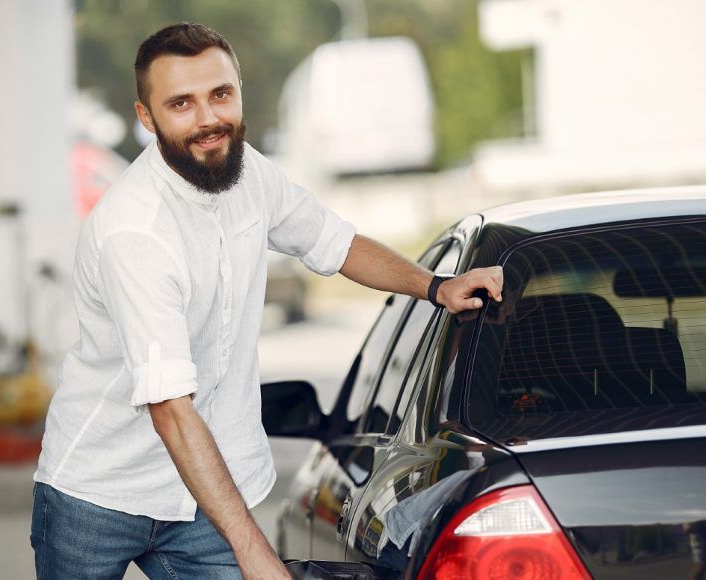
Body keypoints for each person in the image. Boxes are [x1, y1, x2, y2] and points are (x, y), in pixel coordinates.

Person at [31, 22, 503, 580]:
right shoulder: (136, 232)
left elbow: (335, 242)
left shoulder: (249, 171)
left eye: (220, 95)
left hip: (206, 493)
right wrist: (253, 550)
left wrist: (433, 285)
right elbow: (171, 411)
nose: (208, 119)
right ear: (146, 117)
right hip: (99, 494)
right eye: (181, 103)